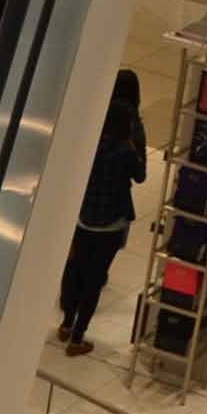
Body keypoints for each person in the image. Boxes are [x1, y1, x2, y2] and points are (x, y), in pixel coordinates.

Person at [57, 68, 147, 354]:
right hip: (111, 223)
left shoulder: (91, 143)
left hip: (85, 217)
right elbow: (141, 175)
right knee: (95, 280)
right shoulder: (126, 149)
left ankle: (66, 322)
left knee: (76, 268)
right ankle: (78, 337)